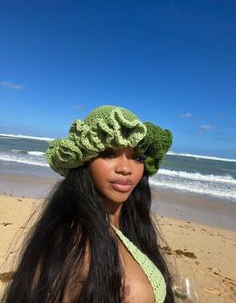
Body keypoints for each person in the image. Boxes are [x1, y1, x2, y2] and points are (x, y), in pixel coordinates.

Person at [3, 105, 175, 302]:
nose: (126, 168)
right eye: (109, 154)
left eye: (137, 157)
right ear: (84, 161)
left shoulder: (129, 226)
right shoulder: (74, 245)